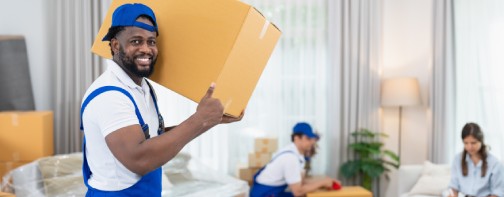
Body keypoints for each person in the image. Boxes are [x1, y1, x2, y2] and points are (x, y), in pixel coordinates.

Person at [80, 3, 242, 196]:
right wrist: (200, 119)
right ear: (116, 45)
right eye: (136, 41)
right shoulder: (110, 95)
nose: (147, 49)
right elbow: (139, 159)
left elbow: (152, 138)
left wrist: (209, 121)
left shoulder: (142, 87)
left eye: (151, 42)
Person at [250, 122, 340, 197]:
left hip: (271, 191)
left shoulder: (297, 154)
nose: (312, 142)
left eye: (312, 139)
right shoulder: (291, 158)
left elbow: (300, 181)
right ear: (297, 138)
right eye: (308, 138)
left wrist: (325, 183)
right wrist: (322, 183)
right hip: (264, 193)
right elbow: (298, 192)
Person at [448, 123, 504, 197]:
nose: (469, 147)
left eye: (473, 143)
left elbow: (498, 192)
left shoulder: (495, 164)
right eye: (466, 143)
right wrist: (453, 194)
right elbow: (453, 186)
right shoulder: (457, 160)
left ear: (481, 141)